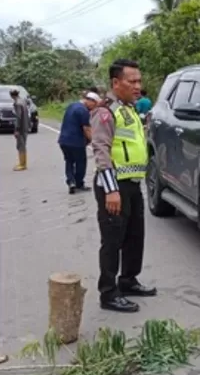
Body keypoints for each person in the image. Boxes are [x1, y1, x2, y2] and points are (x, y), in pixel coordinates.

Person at [90, 58, 157, 313]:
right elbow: (101, 151)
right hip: (114, 187)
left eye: (139, 81)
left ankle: (128, 280)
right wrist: (111, 190)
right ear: (116, 83)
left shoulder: (129, 109)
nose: (137, 86)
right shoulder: (105, 111)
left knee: (134, 237)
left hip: (132, 184)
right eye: (132, 81)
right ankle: (108, 293)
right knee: (112, 241)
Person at [58, 91, 101, 193]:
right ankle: (79, 183)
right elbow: (86, 129)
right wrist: (92, 141)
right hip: (76, 142)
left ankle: (71, 182)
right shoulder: (83, 111)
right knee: (81, 162)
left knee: (69, 161)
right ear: (90, 101)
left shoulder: (72, 105)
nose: (93, 107)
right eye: (94, 105)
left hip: (63, 140)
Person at [11, 88, 30, 171]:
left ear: (11, 95)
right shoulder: (23, 101)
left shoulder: (17, 104)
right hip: (26, 126)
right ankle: (23, 163)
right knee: (23, 145)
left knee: (20, 146)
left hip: (21, 127)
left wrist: (17, 129)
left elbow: (18, 117)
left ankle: (22, 164)